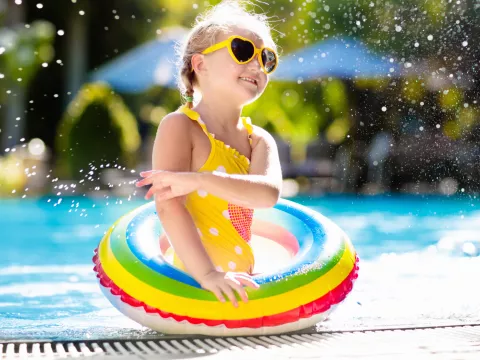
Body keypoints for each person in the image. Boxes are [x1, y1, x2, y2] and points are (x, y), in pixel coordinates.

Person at [136, 0, 282, 308]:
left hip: (239, 282)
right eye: (243, 51)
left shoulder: (259, 141)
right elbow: (169, 207)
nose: (257, 65)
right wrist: (208, 274)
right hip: (192, 283)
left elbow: (266, 196)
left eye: (266, 58)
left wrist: (200, 180)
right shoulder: (180, 127)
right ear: (200, 65)